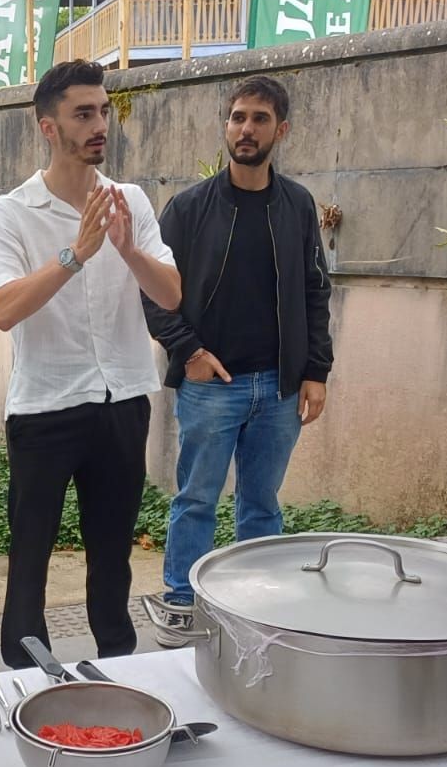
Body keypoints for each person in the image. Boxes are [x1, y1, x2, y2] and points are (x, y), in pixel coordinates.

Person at [0, 60, 182, 669]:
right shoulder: (11, 213)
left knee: (113, 549)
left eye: (103, 110)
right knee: (30, 553)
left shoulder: (132, 202)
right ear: (48, 127)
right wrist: (75, 254)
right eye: (83, 113)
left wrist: (125, 248)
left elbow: (171, 294)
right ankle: (23, 676)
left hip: (122, 399)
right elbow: (3, 309)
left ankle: (119, 665)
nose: (100, 124)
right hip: (45, 407)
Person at [142, 75, 334, 647]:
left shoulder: (296, 204)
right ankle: (182, 602)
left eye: (258, 119)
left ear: (282, 130)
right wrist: (190, 352)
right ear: (226, 125)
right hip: (211, 385)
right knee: (196, 498)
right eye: (237, 117)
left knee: (261, 506)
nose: (246, 129)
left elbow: (315, 289)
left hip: (278, 388)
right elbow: (151, 290)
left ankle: (258, 608)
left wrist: (316, 370)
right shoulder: (190, 207)